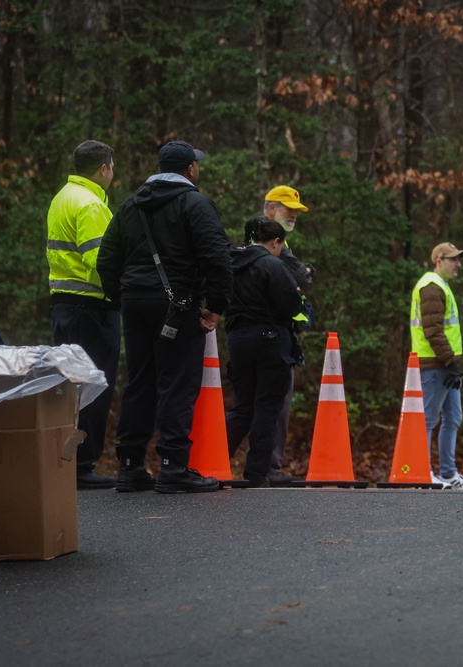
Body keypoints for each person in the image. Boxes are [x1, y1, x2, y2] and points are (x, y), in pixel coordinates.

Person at [97, 140, 231, 494]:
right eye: (197, 165)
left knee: (139, 380)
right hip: (178, 304)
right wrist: (215, 306)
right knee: (177, 382)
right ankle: (173, 466)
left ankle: (130, 466)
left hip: (135, 302)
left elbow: (106, 259)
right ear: (190, 169)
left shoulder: (130, 205)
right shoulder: (196, 204)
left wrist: (120, 295)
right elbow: (217, 257)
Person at [226, 185, 312, 487]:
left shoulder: (231, 261)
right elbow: (290, 302)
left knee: (243, 406)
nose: (293, 216)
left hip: (237, 340)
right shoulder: (273, 264)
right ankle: (258, 472)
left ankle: (212, 460)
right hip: (270, 340)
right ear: (274, 241)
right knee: (267, 406)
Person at [46, 139, 120, 490]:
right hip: (91, 307)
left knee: (70, 386)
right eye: (112, 167)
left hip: (65, 305)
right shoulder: (91, 205)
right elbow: (100, 262)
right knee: (93, 385)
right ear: (104, 168)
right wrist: (123, 291)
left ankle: (68, 459)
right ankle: (83, 463)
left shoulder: (63, 196)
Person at [410, 242, 463, 490]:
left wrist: (452, 363)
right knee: (429, 419)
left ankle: (448, 474)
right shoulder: (431, 287)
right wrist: (450, 361)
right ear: (438, 261)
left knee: (453, 418)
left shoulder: (441, 287)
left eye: (459, 259)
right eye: (453, 259)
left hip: (446, 364)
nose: (458, 264)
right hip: (434, 364)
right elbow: (433, 331)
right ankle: (423, 472)